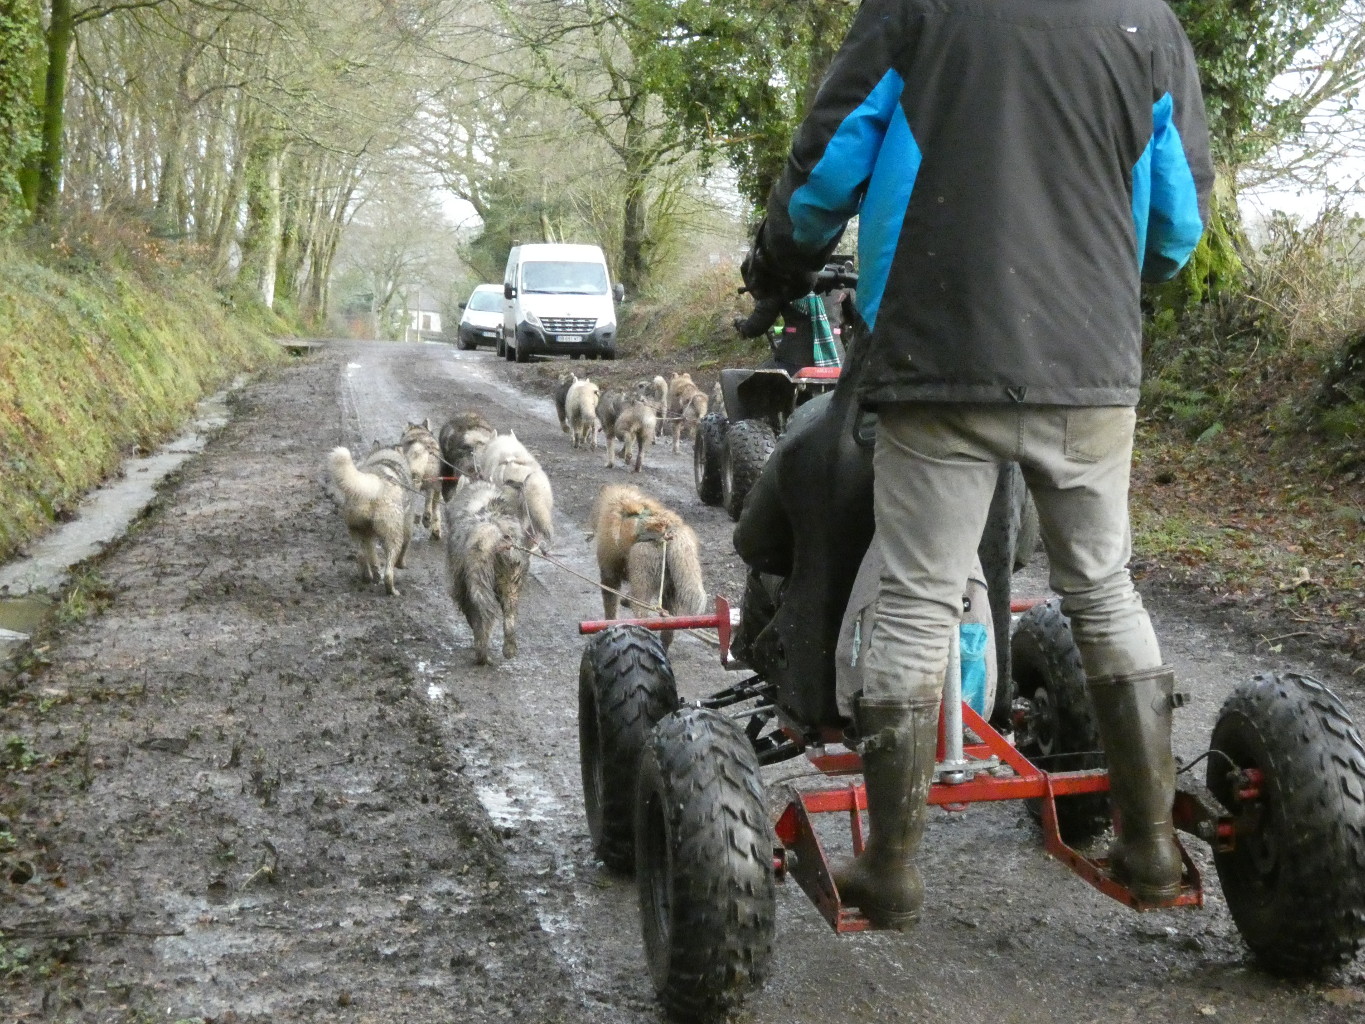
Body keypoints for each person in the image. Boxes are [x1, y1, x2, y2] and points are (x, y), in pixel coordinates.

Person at [741, 0, 1214, 929]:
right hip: (1088, 365)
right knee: (1104, 591)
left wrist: (779, 260)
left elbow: (828, 168)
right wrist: (1105, 279)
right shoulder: (1146, 23)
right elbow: (1174, 224)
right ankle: (1153, 847)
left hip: (935, 353)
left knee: (918, 597)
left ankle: (890, 868)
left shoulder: (916, 8)